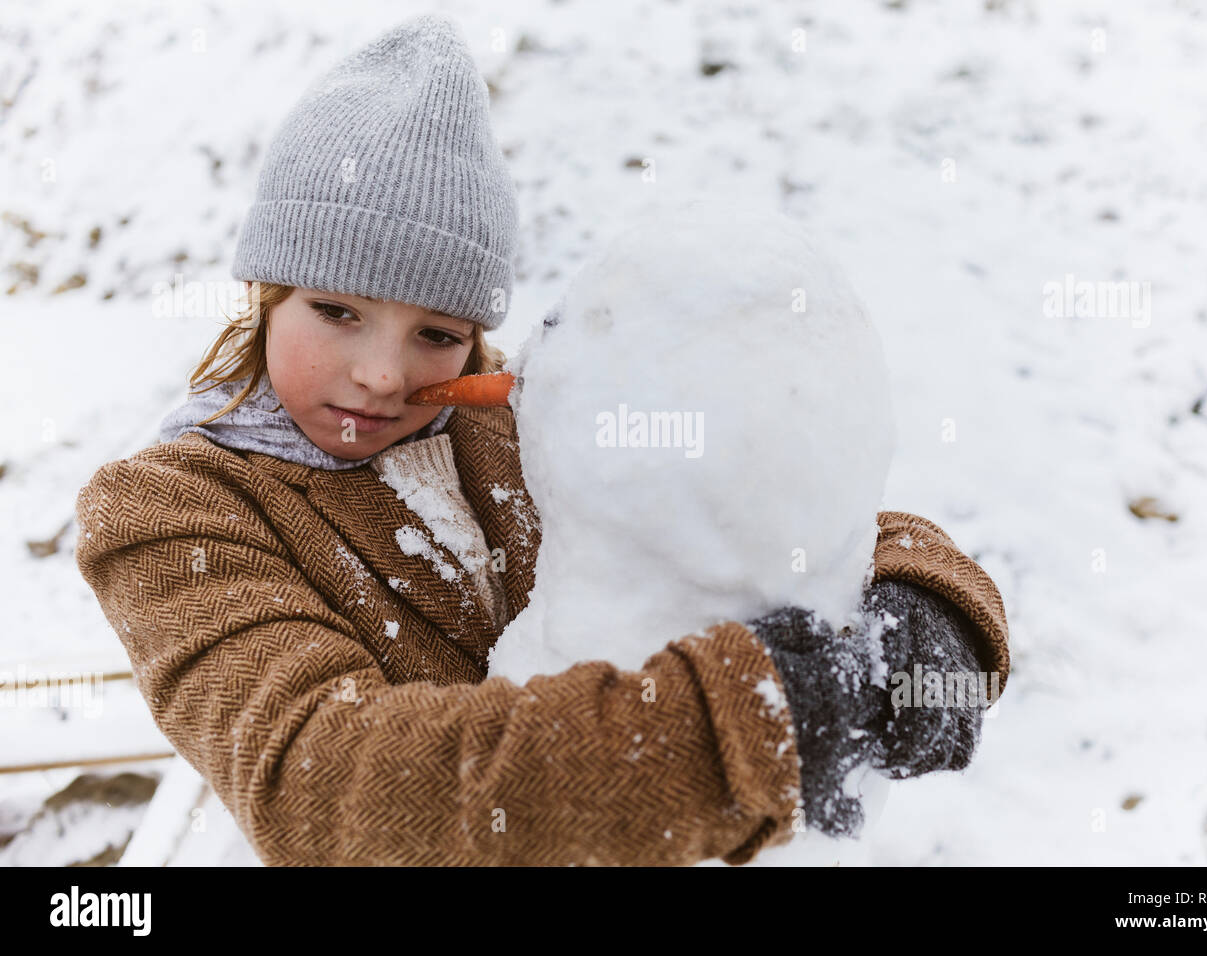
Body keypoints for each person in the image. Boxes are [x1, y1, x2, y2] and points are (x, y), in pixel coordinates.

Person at [73, 14, 1010, 866]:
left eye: (436, 332)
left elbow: (752, 484)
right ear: (267, 290)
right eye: (337, 311)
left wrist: (930, 609)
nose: (384, 375)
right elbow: (326, 786)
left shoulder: (514, 414)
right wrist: (753, 723)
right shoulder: (170, 511)